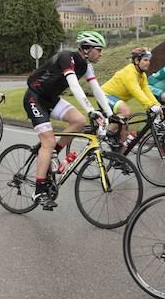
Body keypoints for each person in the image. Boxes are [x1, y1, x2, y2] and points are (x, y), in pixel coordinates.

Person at [24, 31, 113, 207]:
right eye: (99, 49)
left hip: (51, 99)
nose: (101, 53)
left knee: (79, 121)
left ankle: (53, 151)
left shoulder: (86, 66)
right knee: (47, 142)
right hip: (35, 98)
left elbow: (96, 89)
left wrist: (110, 114)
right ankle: (39, 191)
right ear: (87, 49)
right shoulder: (67, 58)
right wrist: (91, 110)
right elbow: (74, 85)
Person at [100, 47, 163, 149]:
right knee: (127, 111)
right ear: (137, 61)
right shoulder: (129, 72)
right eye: (145, 60)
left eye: (149, 60)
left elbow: (146, 91)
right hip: (104, 95)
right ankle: (107, 133)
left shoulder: (142, 75)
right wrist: (149, 105)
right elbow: (136, 90)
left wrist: (157, 105)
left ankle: (118, 159)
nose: (148, 63)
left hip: (116, 100)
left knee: (124, 132)